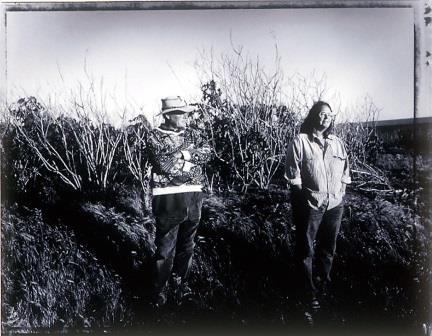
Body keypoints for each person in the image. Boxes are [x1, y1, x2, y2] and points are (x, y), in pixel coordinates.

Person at [284, 101, 351, 315]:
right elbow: (293, 178)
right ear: (314, 116)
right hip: (310, 205)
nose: (326, 118)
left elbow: (345, 174)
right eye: (322, 114)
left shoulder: (337, 143)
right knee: (306, 250)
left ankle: (324, 287)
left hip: (335, 205)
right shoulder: (300, 141)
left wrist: (340, 194)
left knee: (328, 249)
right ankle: (308, 292)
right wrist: (302, 203)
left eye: (330, 115)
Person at [145, 96, 211, 307]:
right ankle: (158, 292)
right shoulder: (154, 137)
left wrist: (181, 157)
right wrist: (189, 159)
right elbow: (164, 165)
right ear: (169, 116)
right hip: (168, 199)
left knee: (188, 246)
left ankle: (180, 284)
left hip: (193, 196)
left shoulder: (195, 134)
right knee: (165, 249)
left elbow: (207, 154)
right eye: (181, 113)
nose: (186, 117)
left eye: (186, 113)